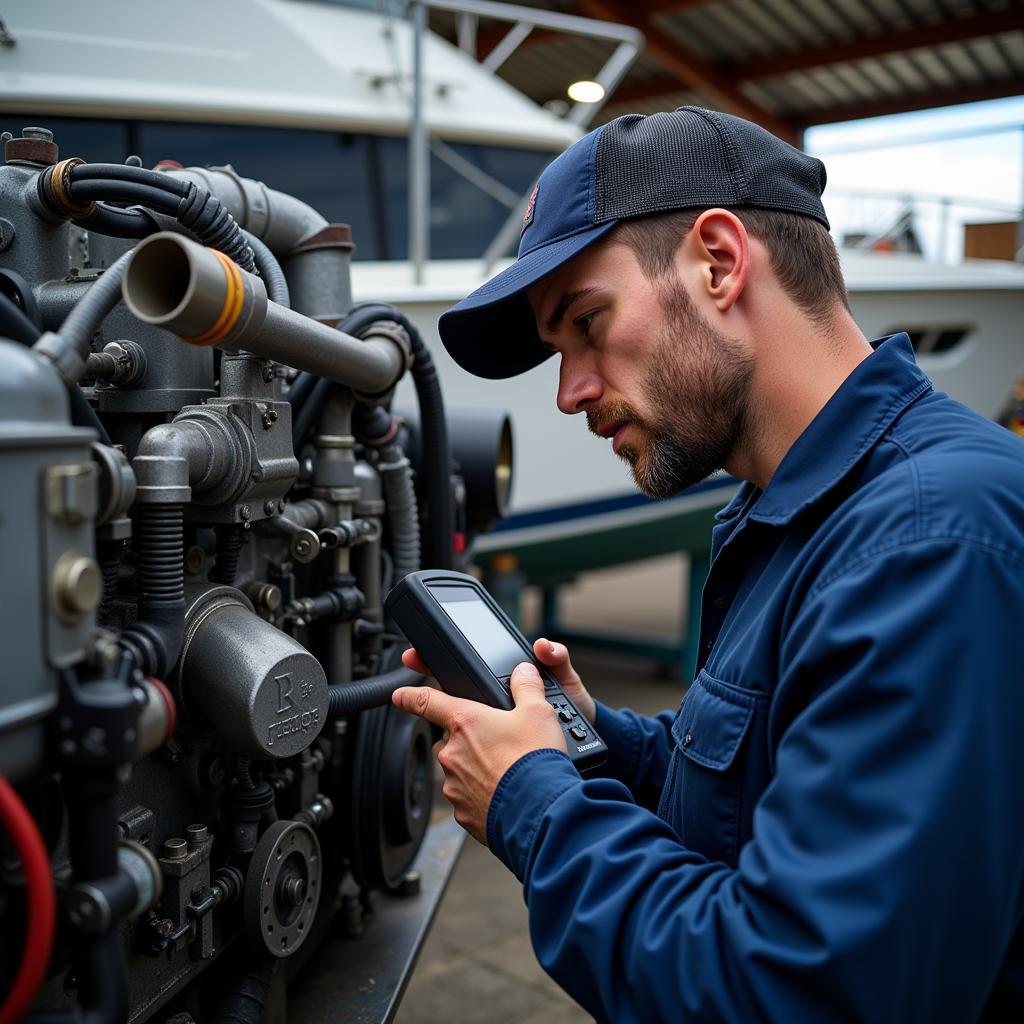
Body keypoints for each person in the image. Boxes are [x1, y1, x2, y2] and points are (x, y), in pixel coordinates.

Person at [392, 107, 1024, 1022]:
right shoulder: (803, 511)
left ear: (720, 262)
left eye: (586, 322)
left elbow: (805, 995)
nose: (568, 393)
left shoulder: (929, 542)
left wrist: (536, 805)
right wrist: (590, 744)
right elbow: (768, 798)